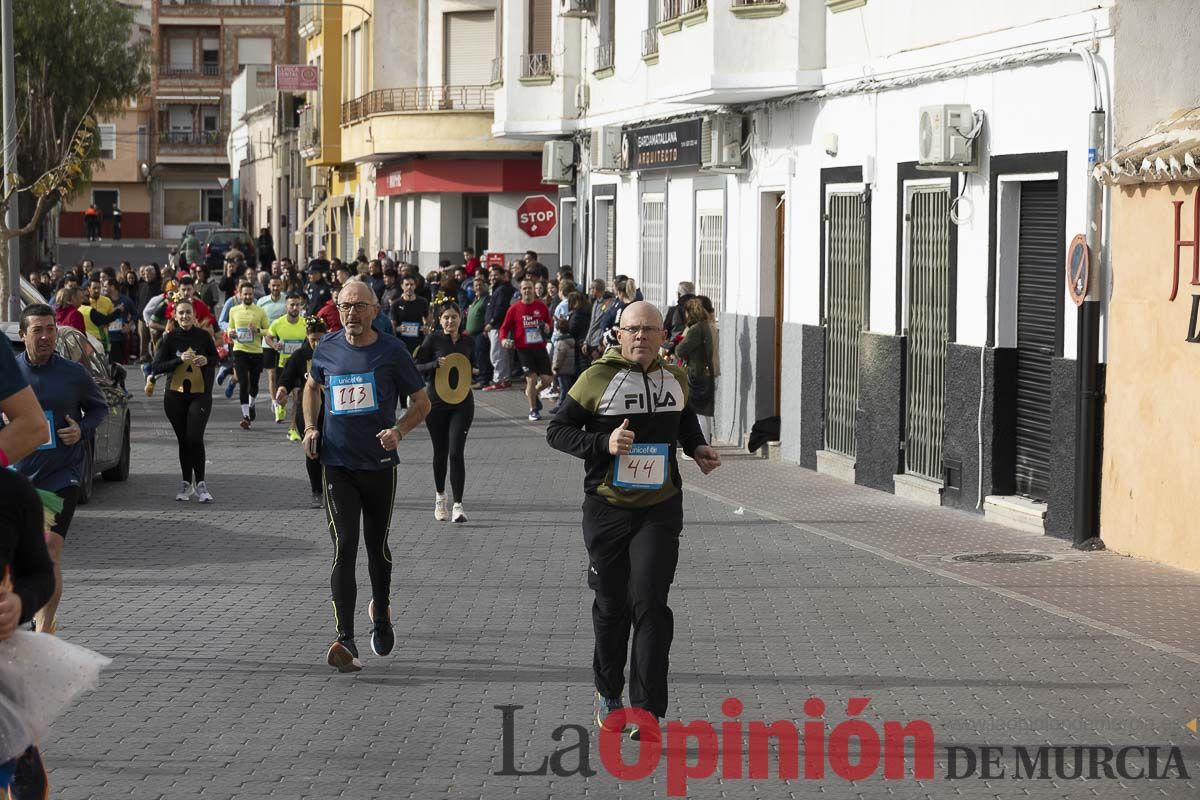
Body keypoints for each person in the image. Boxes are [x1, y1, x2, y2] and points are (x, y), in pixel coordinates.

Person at [546, 301, 722, 739]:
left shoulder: (675, 377)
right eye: (632, 330)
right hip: (607, 509)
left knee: (650, 603)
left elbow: (684, 422)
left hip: (659, 509)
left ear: (664, 337)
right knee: (612, 606)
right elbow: (558, 431)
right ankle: (609, 692)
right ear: (619, 335)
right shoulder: (595, 379)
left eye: (649, 330)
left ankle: (647, 711)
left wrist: (696, 448)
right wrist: (603, 443)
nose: (641, 337)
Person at [302, 281, 431, 671]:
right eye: (344, 307)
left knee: (378, 550)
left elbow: (422, 403)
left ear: (375, 310)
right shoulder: (326, 348)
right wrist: (310, 427)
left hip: (378, 465)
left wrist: (399, 431)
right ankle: (345, 640)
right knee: (345, 548)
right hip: (337, 465)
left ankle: (381, 613)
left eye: (358, 306)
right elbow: (311, 387)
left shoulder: (392, 351)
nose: (351, 314)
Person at [10, 304, 109, 634]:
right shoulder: (8, 374)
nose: (46, 336)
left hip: (60, 475)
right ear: (23, 335)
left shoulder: (73, 373)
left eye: (51, 329)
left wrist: (82, 429)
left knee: (51, 549)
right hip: (15, 476)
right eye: (37, 330)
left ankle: (45, 625)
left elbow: (98, 409)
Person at [150, 299, 218, 503]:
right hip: (175, 396)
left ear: (195, 315)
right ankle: (186, 483)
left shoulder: (204, 336)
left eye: (188, 312)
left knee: (195, 437)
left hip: (200, 394)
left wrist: (207, 360)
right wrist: (179, 360)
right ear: (175, 316)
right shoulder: (170, 339)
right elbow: (156, 366)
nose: (185, 317)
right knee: (183, 440)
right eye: (181, 313)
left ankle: (202, 485)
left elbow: (216, 358)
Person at [413, 304, 474, 523]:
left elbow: (478, 366)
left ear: (461, 319)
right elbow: (416, 366)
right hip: (436, 403)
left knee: (456, 452)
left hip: (462, 403)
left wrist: (474, 372)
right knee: (440, 451)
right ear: (440, 320)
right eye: (446, 318)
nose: (450, 322)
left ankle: (458, 505)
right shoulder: (432, 340)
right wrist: (434, 364)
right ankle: (440, 497)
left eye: (454, 317)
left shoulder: (469, 342)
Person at [277, 316, 327, 502]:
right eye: (313, 339)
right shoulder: (300, 355)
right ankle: (317, 491)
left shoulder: (335, 353)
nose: (317, 343)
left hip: (331, 410)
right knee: (313, 449)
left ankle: (332, 487)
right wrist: (282, 389)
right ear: (307, 337)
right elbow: (287, 376)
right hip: (307, 412)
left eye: (320, 338)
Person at [499, 279, 553, 421]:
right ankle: (533, 410)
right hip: (523, 348)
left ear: (534, 290)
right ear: (521, 291)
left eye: (529, 288)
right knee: (532, 379)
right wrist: (504, 339)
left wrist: (548, 326)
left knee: (547, 379)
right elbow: (504, 327)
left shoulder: (541, 306)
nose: (527, 291)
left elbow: (548, 321)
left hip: (539, 347)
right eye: (524, 289)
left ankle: (532, 394)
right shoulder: (514, 308)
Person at [226, 281, 270, 429]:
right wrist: (230, 333)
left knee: (254, 384)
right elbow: (230, 327)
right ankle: (245, 416)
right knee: (243, 382)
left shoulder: (260, 311)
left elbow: (268, 331)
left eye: (250, 294)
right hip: (239, 350)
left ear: (253, 295)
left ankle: (251, 404)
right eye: (245, 294)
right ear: (239, 294)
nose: (247, 296)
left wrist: (257, 330)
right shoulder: (234, 310)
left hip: (256, 351)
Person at [674, 298, 718, 442]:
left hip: (696, 373)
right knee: (704, 412)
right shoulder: (708, 326)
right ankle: (706, 442)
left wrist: (678, 345)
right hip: (707, 372)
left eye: (686, 313)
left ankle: (701, 443)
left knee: (697, 411)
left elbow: (681, 350)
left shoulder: (695, 329)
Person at [257, 278, 290, 422]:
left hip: (283, 342)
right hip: (267, 342)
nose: (275, 288)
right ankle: (274, 402)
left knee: (282, 374)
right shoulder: (262, 302)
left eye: (278, 285)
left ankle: (281, 399)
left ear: (281, 286)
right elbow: (259, 321)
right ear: (269, 286)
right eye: (273, 285)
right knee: (271, 375)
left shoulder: (286, 300)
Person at [482, 266, 516, 391]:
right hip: (494, 327)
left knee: (497, 355)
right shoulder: (496, 289)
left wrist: (491, 322)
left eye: (496, 275)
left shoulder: (502, 289)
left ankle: (499, 380)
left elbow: (500, 309)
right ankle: (504, 379)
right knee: (500, 354)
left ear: (503, 275)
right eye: (491, 275)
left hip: (498, 326)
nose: (493, 277)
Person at [389, 275, 429, 353]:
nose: (409, 287)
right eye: (406, 284)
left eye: (411, 284)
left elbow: (429, 321)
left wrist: (426, 328)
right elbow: (392, 327)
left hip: (419, 342)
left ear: (415, 286)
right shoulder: (396, 304)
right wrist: (398, 329)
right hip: (402, 342)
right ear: (402, 286)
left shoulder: (423, 302)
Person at [464, 276, 491, 389]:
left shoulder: (486, 299)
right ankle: (478, 378)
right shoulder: (476, 299)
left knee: (482, 357)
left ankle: (483, 380)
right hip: (472, 334)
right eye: (476, 285)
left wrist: (485, 327)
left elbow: (487, 315)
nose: (478, 287)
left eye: (480, 285)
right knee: (476, 358)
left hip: (481, 333)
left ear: (485, 286)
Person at [662, 282, 695, 353]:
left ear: (679, 295)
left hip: (675, 350)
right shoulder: (703, 311)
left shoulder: (674, 310)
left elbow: (664, 330)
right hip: (695, 352)